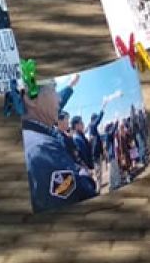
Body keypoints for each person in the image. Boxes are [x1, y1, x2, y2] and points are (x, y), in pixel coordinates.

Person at [22, 79, 98, 211]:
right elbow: (80, 194)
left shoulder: (33, 136)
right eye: (54, 90)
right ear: (30, 99)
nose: (58, 99)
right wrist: (83, 173)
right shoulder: (42, 148)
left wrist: (70, 85)